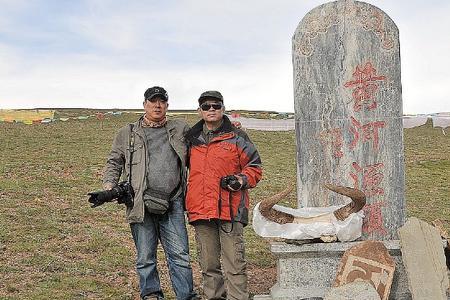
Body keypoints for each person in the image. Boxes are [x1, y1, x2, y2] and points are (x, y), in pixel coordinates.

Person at [102, 86, 197, 300]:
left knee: (180, 256)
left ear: (167, 105)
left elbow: (202, 145)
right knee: (145, 256)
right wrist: (109, 185)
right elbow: (115, 161)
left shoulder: (180, 129)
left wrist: (232, 129)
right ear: (144, 104)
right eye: (153, 101)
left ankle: (186, 296)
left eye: (161, 101)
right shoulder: (127, 132)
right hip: (139, 203)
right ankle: (152, 294)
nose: (157, 105)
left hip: (173, 202)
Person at [184, 91, 263, 300]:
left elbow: (254, 167)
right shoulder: (190, 140)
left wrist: (240, 180)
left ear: (223, 109)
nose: (211, 110)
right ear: (199, 110)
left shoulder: (238, 137)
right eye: (206, 106)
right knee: (208, 265)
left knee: (234, 264)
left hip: (231, 209)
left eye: (216, 106)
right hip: (200, 210)